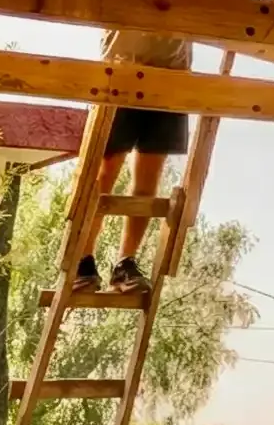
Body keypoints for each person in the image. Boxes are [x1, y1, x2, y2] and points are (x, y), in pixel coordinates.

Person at [72, 23, 194, 294]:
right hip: (121, 68)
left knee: (148, 179)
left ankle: (125, 263)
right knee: (104, 172)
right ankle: (83, 260)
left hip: (171, 75)